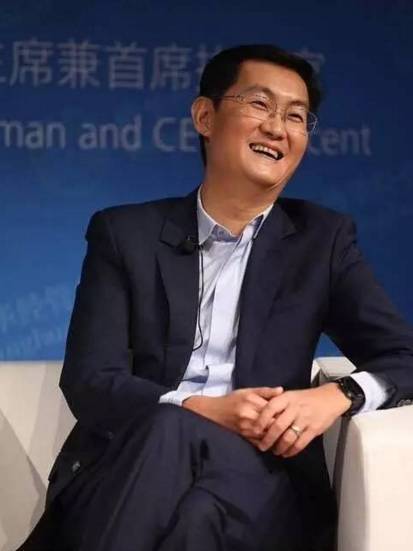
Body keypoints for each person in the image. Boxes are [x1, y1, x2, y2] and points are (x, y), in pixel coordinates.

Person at [19, 44, 413, 551]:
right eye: (260, 104)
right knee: (190, 496)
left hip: (262, 480)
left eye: (296, 116)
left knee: (182, 459)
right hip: (132, 467)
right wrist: (200, 407)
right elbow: (91, 380)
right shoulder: (125, 234)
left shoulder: (322, 241)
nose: (278, 128)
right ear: (205, 117)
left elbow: (405, 356)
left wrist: (338, 395)